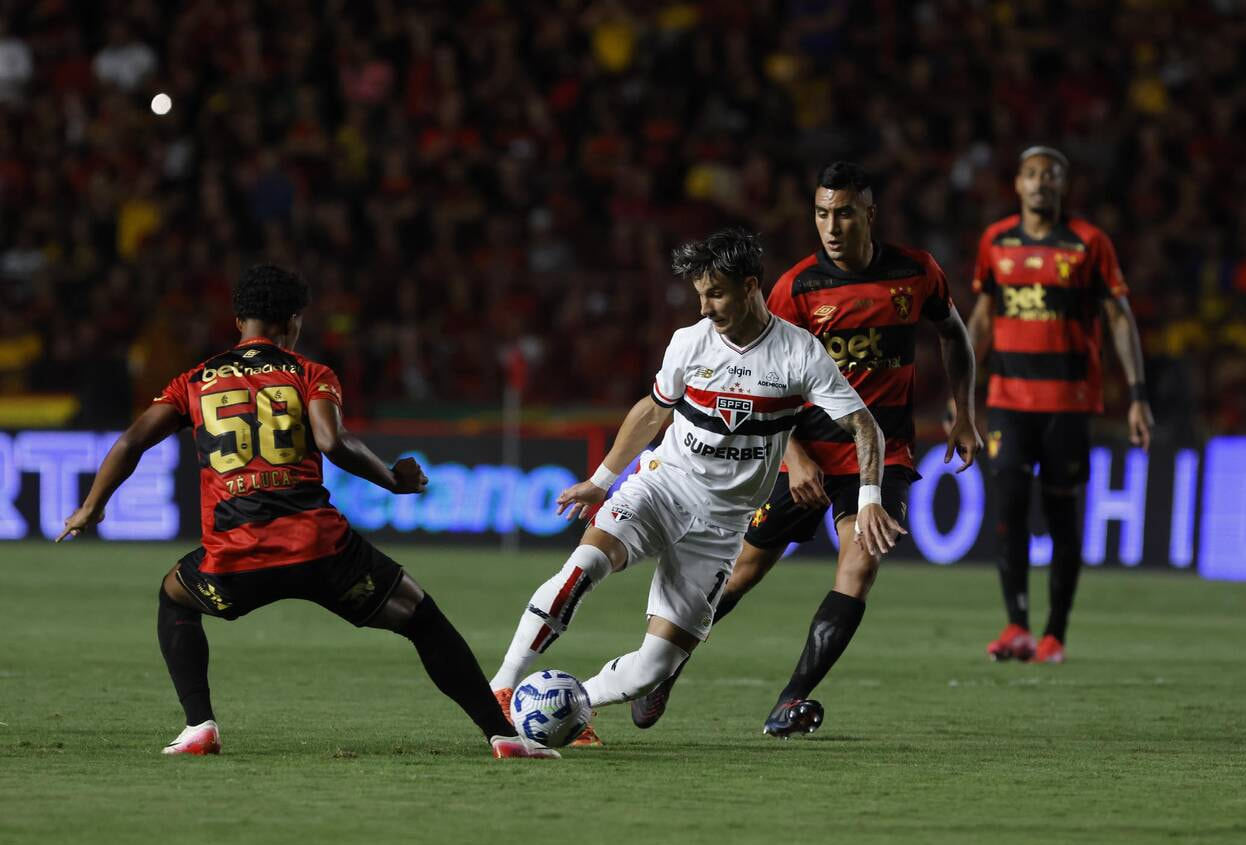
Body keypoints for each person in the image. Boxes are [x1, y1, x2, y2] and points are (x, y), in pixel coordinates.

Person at [57, 264, 555, 760]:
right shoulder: (308, 373)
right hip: (322, 551)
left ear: (238, 322)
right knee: (423, 620)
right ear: (294, 321)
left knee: (175, 598)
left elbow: (131, 440)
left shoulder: (194, 381)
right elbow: (331, 441)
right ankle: (503, 735)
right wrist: (392, 479)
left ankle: (198, 727)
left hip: (235, 558)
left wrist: (90, 509)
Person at [486, 227, 904, 745]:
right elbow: (653, 410)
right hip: (663, 489)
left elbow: (864, 425)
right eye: (700, 294)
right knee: (585, 565)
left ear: (751, 287)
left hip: (722, 526)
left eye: (717, 293)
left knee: (653, 669)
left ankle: (577, 706)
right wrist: (601, 480)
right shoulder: (690, 342)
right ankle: (502, 689)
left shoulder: (799, 354)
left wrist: (868, 499)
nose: (705, 306)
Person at [630, 161, 983, 737]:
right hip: (805, 451)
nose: (832, 225)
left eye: (844, 212)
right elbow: (760, 375)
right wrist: (795, 456)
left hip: (879, 453)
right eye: (822, 213)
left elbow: (954, 334)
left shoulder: (917, 273)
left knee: (860, 563)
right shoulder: (795, 288)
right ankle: (662, 668)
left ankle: (789, 701)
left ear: (870, 213)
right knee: (741, 573)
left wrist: (963, 413)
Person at [966, 146, 1154, 664]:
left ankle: (1054, 634)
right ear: (1018, 184)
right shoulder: (996, 241)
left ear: (1063, 186)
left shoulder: (1090, 242)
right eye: (1031, 174)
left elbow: (1119, 319)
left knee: (1062, 516)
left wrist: (1137, 396)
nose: (1041, 183)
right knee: (1007, 508)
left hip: (1068, 404)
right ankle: (1017, 625)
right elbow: (982, 318)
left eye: (1051, 176)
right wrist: (963, 396)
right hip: (1007, 399)